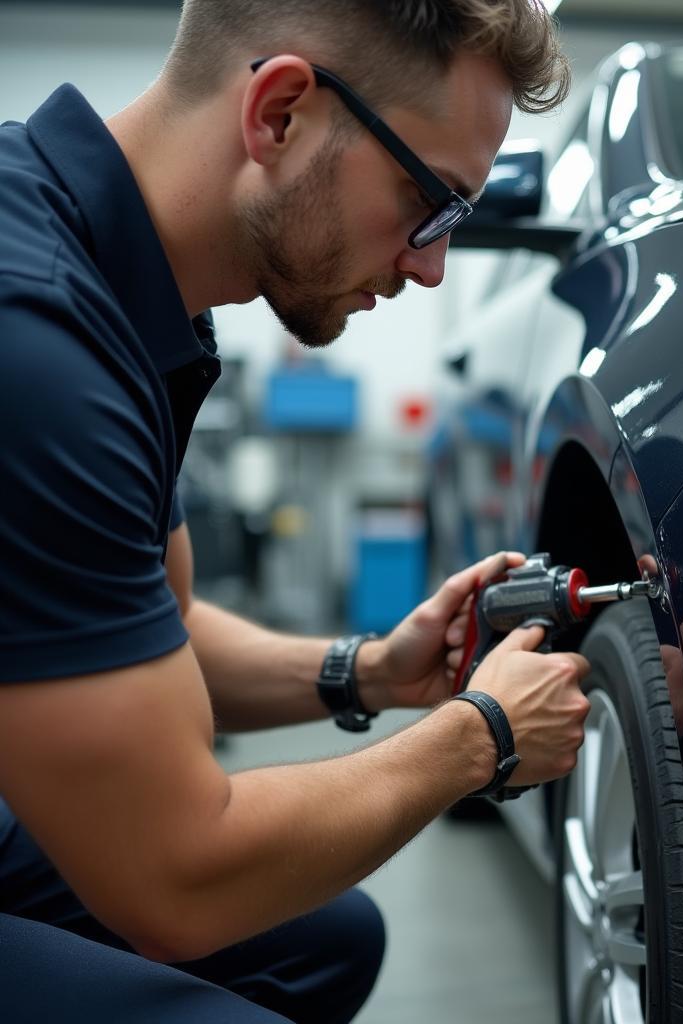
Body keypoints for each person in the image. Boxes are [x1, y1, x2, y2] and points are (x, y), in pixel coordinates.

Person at [0, 2, 591, 1021]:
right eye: (428, 199)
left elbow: (160, 630)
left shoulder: (115, 287)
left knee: (323, 941)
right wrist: (480, 735)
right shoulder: (36, 339)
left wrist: (370, 671)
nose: (430, 263)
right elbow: (176, 880)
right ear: (279, 114)